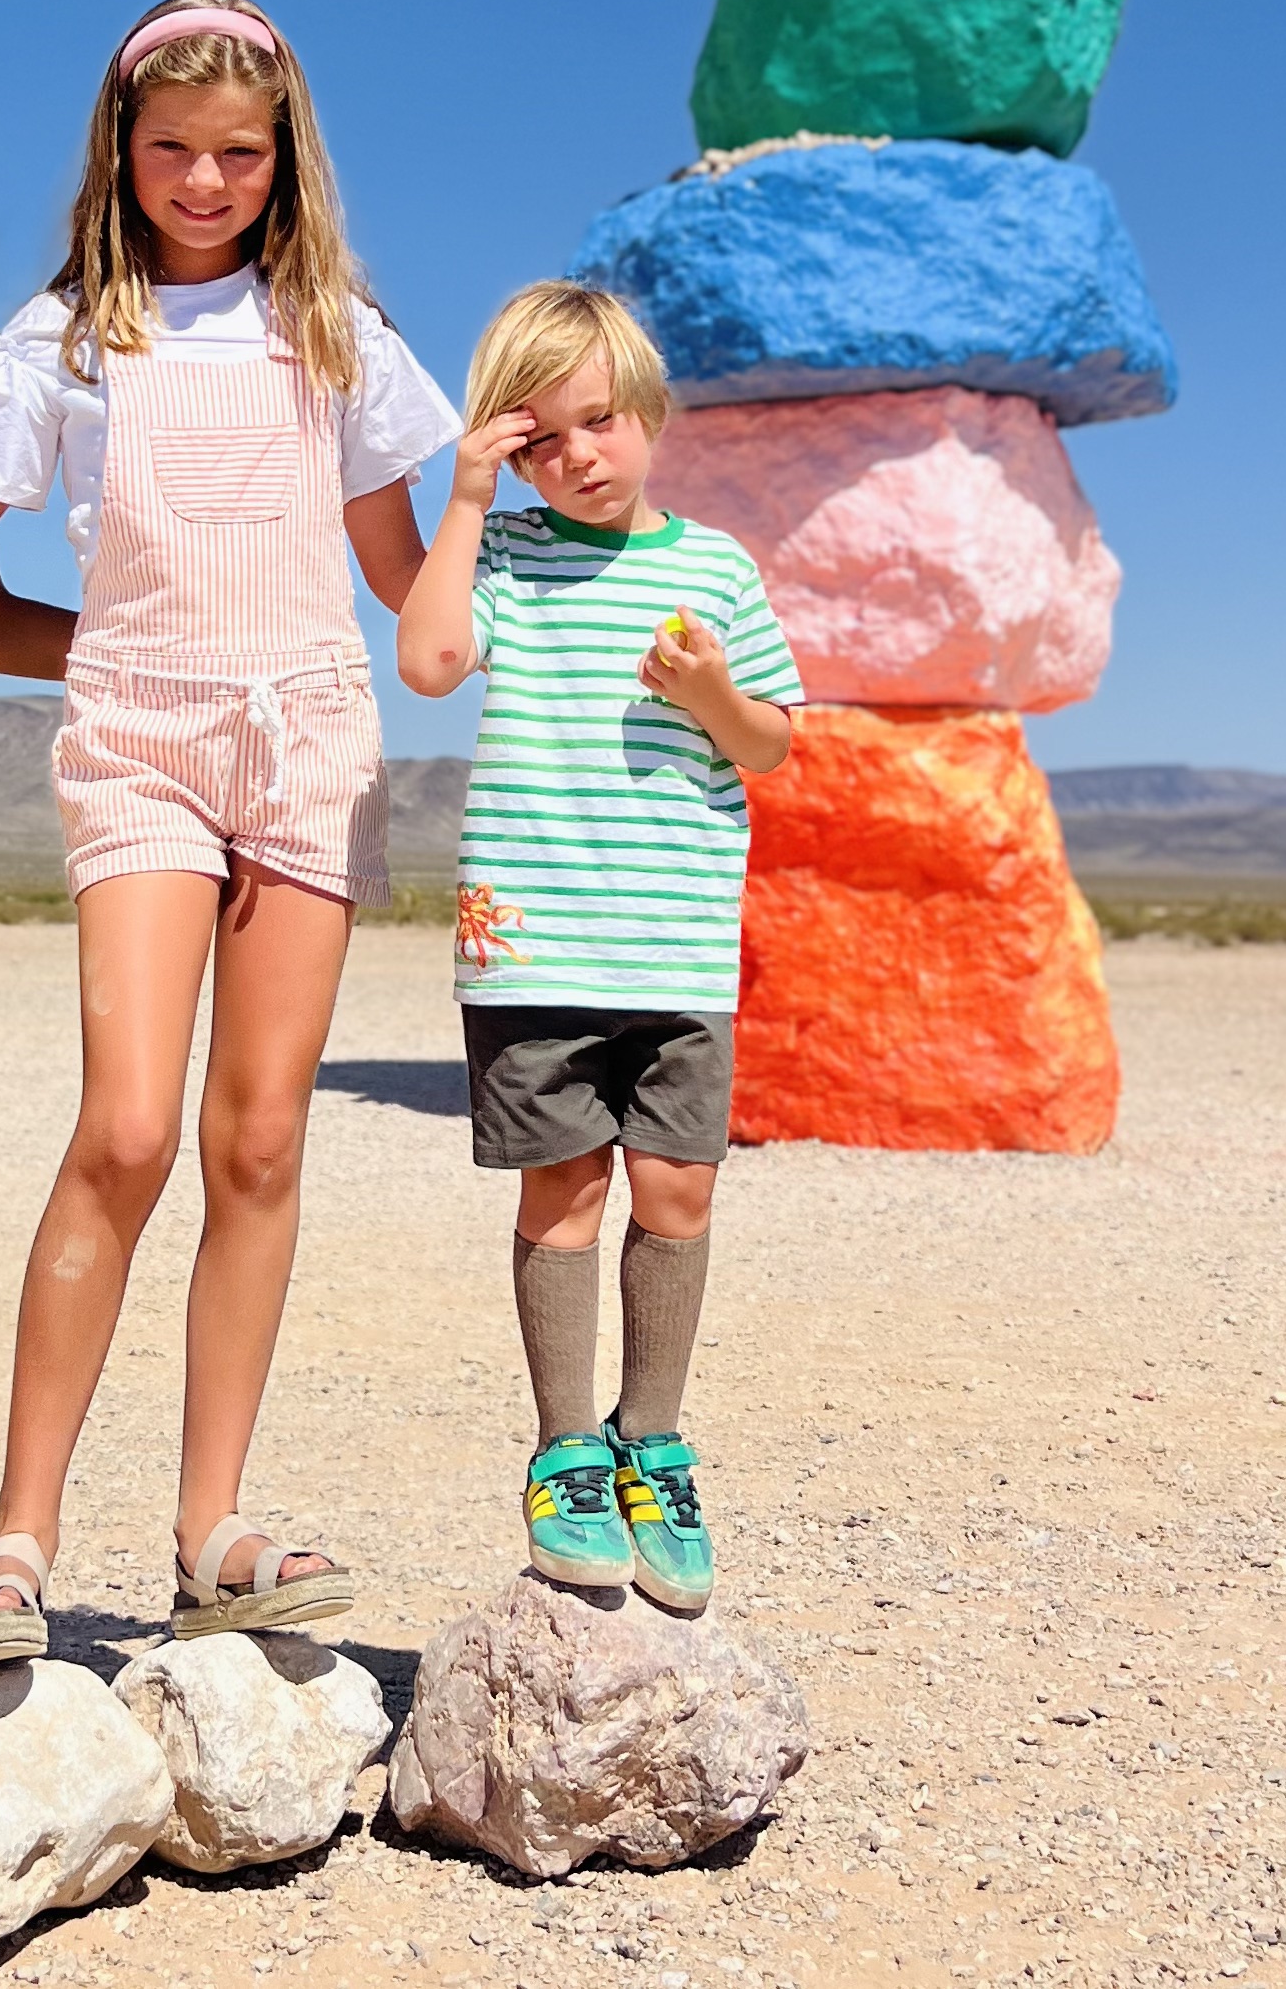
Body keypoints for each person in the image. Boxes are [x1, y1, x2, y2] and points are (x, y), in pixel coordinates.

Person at [0, 0, 458, 1662]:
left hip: (308, 736)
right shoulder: (58, 345)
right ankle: (14, 1538)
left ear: (281, 158)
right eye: (172, 153)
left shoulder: (343, 339)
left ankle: (212, 1529)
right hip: (140, 746)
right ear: (121, 152)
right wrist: (114, 658)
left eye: (237, 155)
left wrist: (536, 533)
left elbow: (399, 576)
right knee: (129, 1129)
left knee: (260, 1142)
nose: (205, 182)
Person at [395, 279, 800, 1613]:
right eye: (538, 439)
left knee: (676, 1197)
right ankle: (565, 1450)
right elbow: (431, 661)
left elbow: (771, 747)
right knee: (561, 1201)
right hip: (534, 953)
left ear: (648, 413)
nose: (576, 455)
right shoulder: (506, 556)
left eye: (598, 421)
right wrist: (462, 501)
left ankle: (653, 1442)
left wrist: (710, 694)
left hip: (673, 948)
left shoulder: (716, 569)